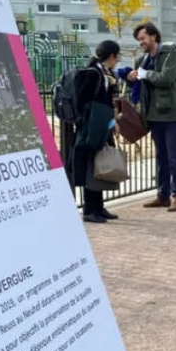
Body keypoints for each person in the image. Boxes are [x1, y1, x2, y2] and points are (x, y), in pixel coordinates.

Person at [128, 22, 176, 211]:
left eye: (143, 38)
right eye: (139, 40)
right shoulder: (142, 61)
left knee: (173, 157)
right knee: (161, 157)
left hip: (172, 114)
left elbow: (166, 78)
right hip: (153, 116)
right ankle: (163, 196)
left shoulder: (171, 52)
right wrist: (131, 78)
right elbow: (140, 87)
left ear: (153, 36)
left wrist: (145, 74)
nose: (141, 43)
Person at [72, 40, 122, 223]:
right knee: (91, 166)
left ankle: (99, 207)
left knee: (99, 164)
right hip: (92, 127)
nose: (118, 60)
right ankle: (89, 209)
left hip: (101, 126)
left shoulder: (105, 73)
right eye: (118, 56)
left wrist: (111, 121)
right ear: (112, 56)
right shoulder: (93, 74)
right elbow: (84, 102)